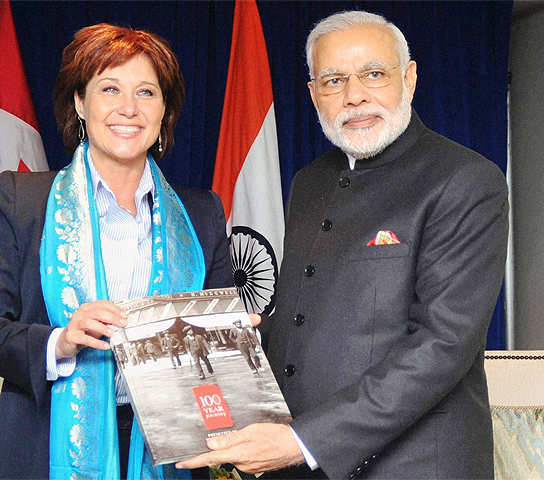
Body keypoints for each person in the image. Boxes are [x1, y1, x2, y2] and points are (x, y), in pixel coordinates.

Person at [177, 10, 508, 480]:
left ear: (409, 79)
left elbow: (442, 346)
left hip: (413, 467)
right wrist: (232, 343)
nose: (355, 96)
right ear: (313, 93)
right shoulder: (309, 183)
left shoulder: (465, 180)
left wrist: (304, 441)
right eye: (333, 80)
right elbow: (304, 318)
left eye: (374, 74)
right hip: (300, 464)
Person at [0, 23, 233, 480]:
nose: (129, 108)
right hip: (44, 448)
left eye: (147, 92)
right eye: (110, 88)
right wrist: (59, 341)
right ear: (80, 103)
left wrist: (233, 338)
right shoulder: (21, 200)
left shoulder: (201, 212)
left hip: (172, 453)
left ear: (165, 110)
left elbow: (217, 356)